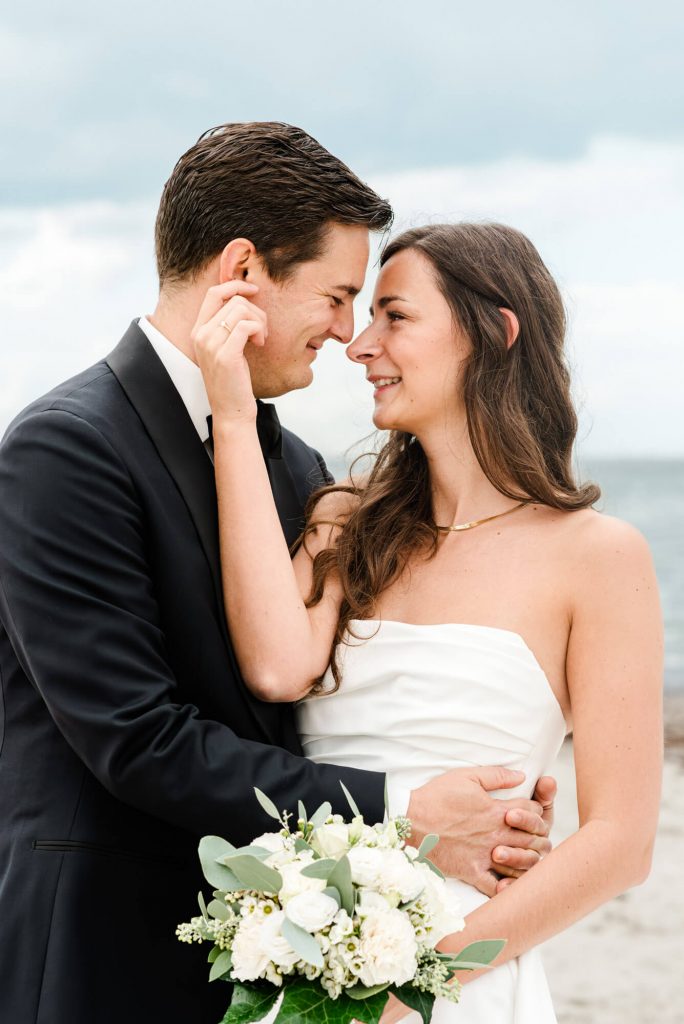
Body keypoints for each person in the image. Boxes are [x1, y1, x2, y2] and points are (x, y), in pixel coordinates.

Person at [0, 126, 553, 1024]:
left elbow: (311, 699)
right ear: (245, 269)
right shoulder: (65, 447)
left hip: (281, 964)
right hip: (101, 959)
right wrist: (407, 812)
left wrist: (489, 804)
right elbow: (137, 740)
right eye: (336, 296)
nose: (346, 332)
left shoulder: (296, 467)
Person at [194, 220, 663, 1022]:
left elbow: (621, 842)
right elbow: (275, 668)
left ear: (494, 334)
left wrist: (415, 981)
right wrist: (233, 421)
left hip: (463, 973)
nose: (360, 344)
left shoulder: (600, 557)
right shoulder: (347, 522)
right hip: (315, 961)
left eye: (395, 316)